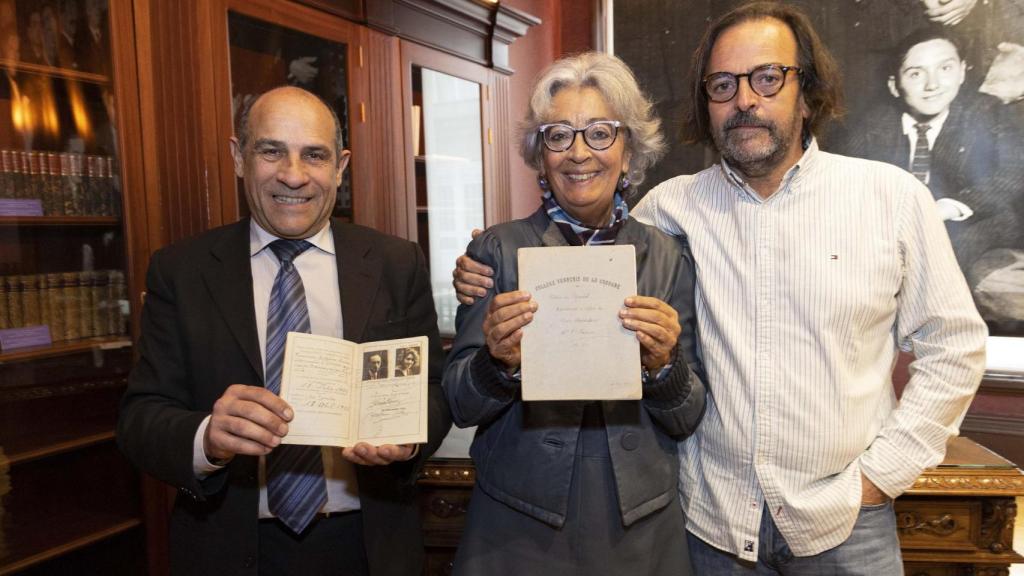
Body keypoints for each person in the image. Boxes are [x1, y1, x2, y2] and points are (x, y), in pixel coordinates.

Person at [454, 3, 987, 573]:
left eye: (766, 78)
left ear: (806, 92)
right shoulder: (671, 209)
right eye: (723, 85)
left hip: (844, 525)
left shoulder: (892, 198)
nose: (744, 100)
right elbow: (580, 236)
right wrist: (484, 267)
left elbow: (953, 347)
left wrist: (883, 476)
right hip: (714, 527)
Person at [117, 86, 451, 576]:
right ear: (238, 157)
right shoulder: (181, 271)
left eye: (313, 155)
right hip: (229, 549)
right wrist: (208, 436)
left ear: (340, 166)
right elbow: (139, 418)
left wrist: (408, 438)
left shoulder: (396, 262)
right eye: (271, 151)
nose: (293, 176)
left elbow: (434, 391)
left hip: (369, 547)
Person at [444, 52, 706, 575]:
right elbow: (460, 404)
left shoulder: (668, 256)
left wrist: (664, 365)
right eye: (558, 135)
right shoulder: (496, 251)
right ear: (541, 156)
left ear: (629, 151)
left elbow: (687, 415)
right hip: (518, 523)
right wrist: (496, 363)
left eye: (601, 133)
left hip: (640, 524)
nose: (578, 152)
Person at [835, 26, 1024, 331]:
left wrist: (952, 206)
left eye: (945, 68)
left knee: (953, 255)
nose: (933, 84)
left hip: (973, 222)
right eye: (915, 74)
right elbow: (841, 179)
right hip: (894, 229)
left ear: (963, 71)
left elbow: (1014, 173)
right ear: (895, 86)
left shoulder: (988, 113)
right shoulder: (872, 124)